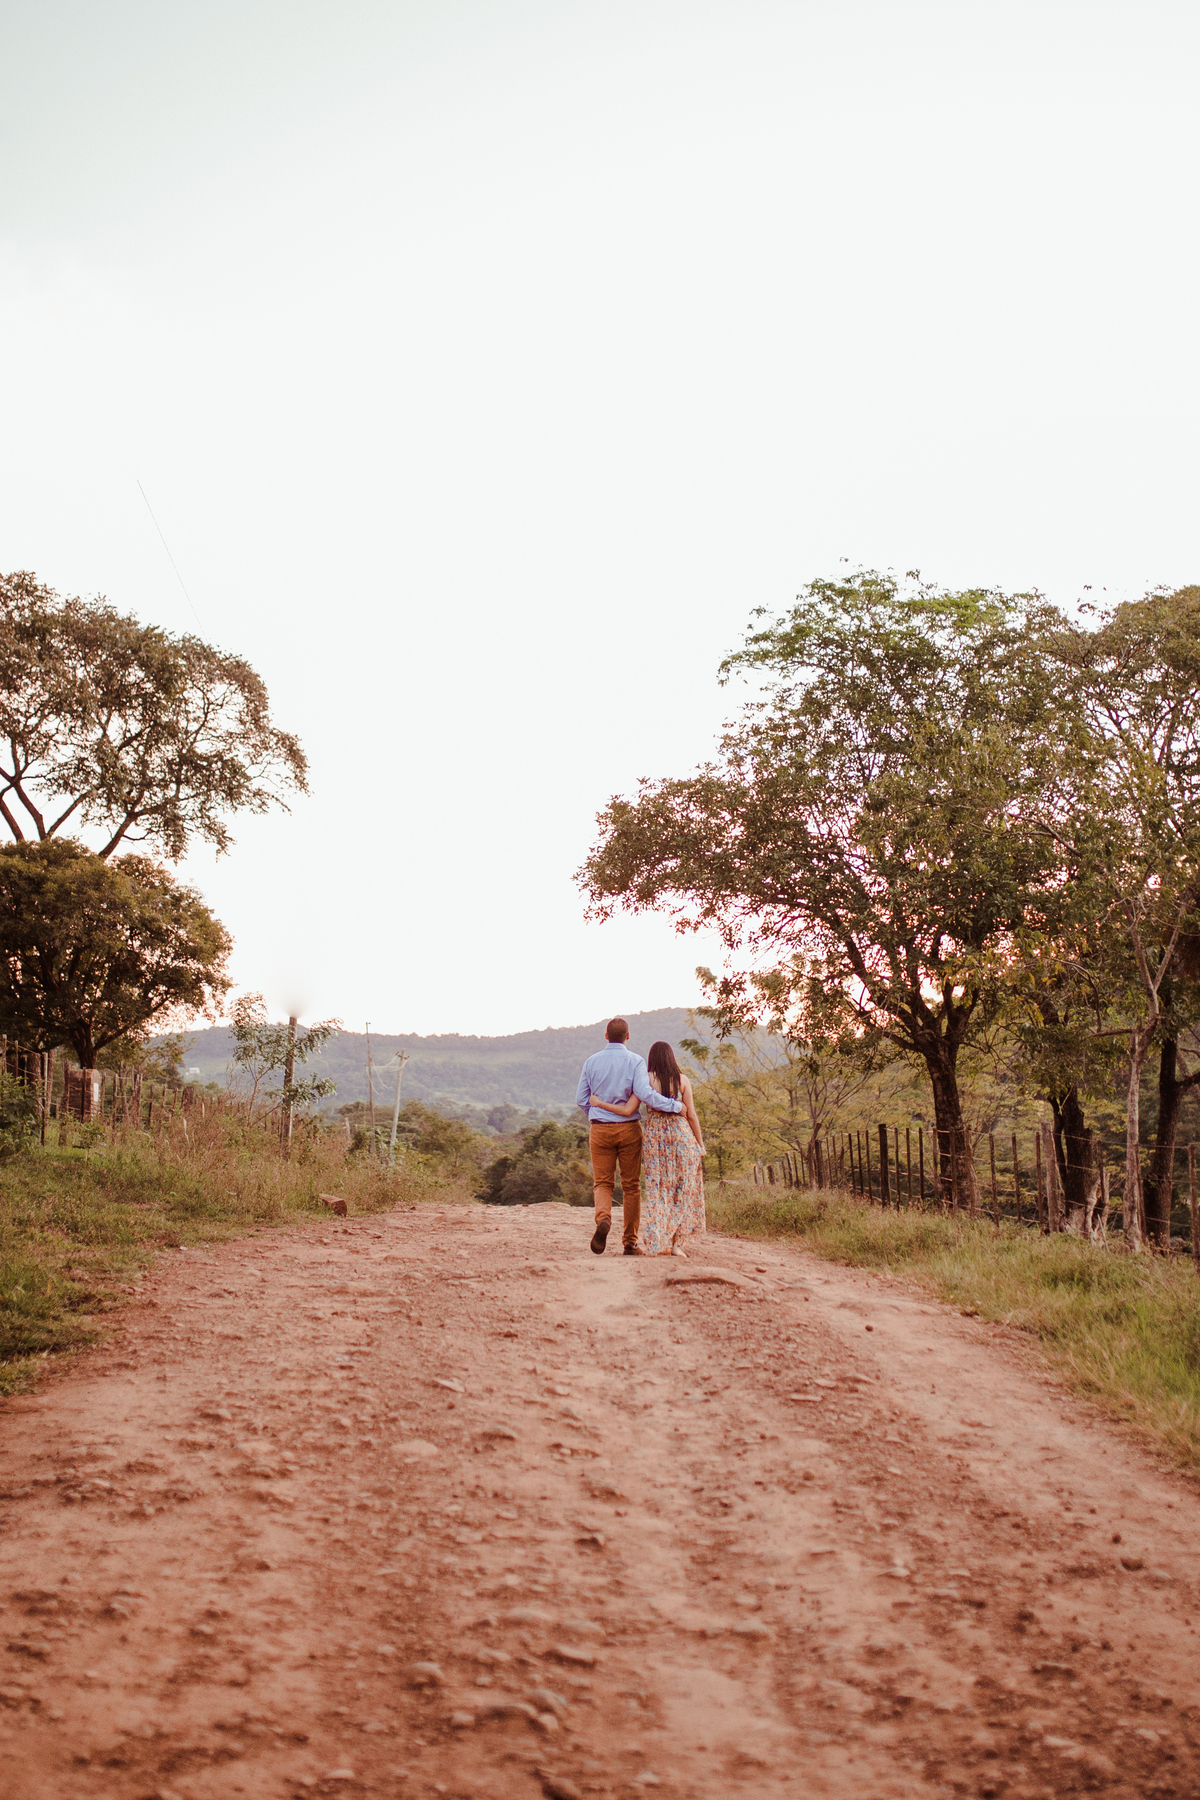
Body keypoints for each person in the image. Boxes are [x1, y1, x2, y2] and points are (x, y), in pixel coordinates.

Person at [575, 1018, 686, 1255]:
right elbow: (645, 1094)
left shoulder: (591, 1062)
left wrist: (595, 1114)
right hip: (628, 1129)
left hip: (600, 1129)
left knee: (603, 1183)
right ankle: (629, 1242)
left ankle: (603, 1218)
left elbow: (581, 1099)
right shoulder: (635, 1061)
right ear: (628, 1036)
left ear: (606, 1035)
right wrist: (675, 1106)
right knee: (631, 1186)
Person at [587, 1040, 706, 1257]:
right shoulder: (683, 1080)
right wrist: (700, 1143)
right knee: (681, 1189)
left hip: (656, 1140)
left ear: (651, 1059)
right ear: (672, 1057)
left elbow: (628, 1109)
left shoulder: (646, 1080)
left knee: (658, 1190)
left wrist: (599, 1104)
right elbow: (691, 1114)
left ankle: (655, 1239)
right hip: (682, 1138)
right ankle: (676, 1243)